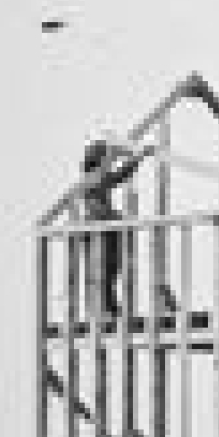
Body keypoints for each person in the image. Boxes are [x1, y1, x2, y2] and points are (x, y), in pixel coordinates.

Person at [80, 135, 145, 318]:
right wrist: (134, 158)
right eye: (107, 160)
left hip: (105, 230)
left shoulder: (96, 176)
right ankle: (104, 309)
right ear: (100, 161)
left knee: (110, 269)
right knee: (102, 271)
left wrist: (133, 157)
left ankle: (109, 306)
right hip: (98, 231)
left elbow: (116, 177)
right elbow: (116, 178)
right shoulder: (92, 177)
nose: (109, 164)